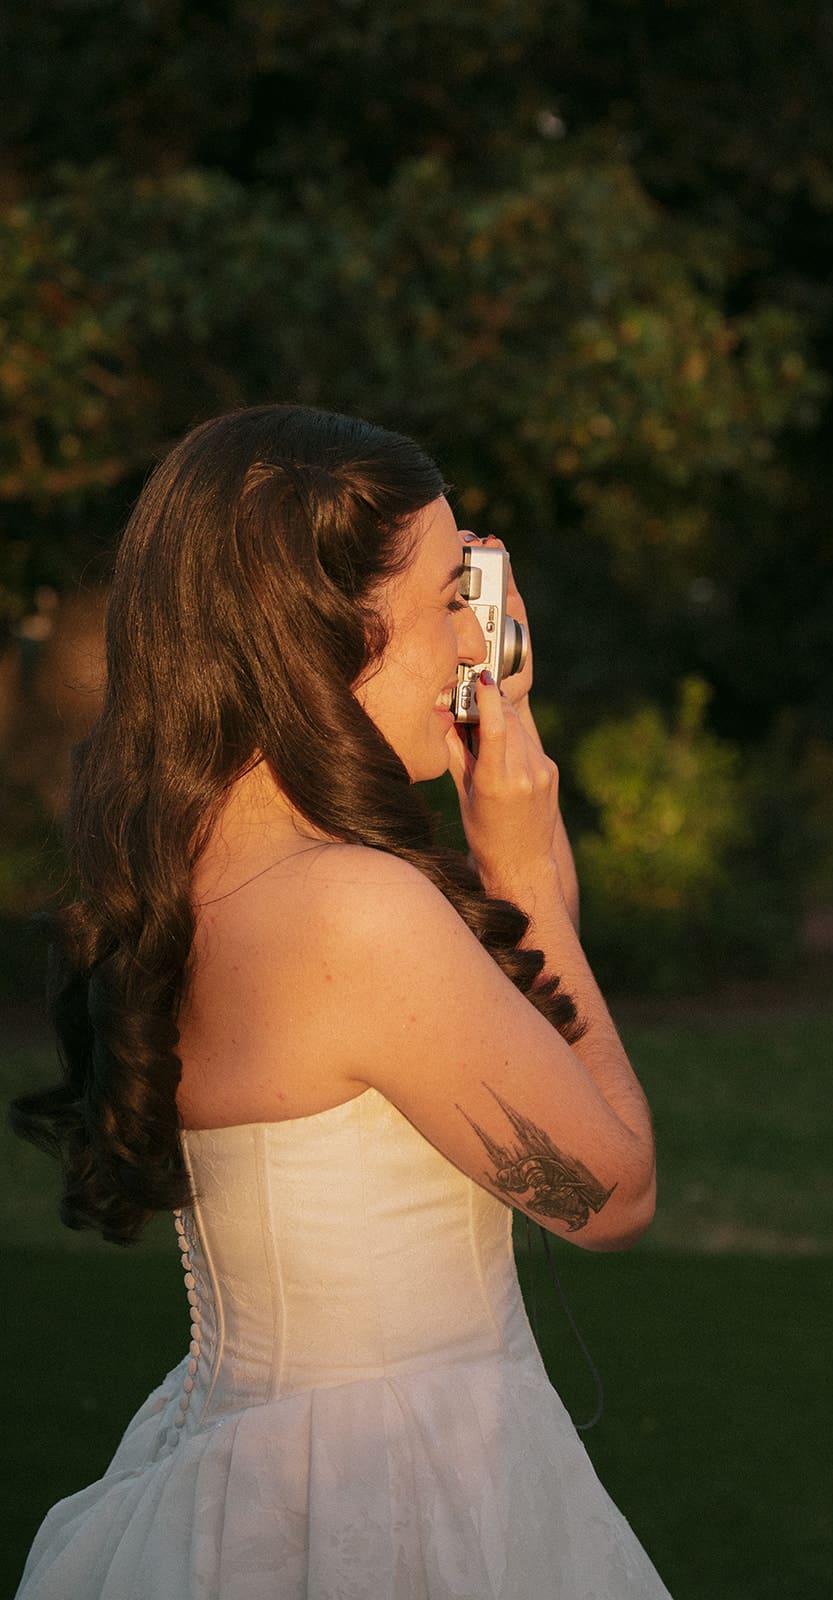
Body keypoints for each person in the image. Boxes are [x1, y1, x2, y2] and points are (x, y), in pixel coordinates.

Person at [12, 405, 671, 1600]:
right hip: (400, 1482)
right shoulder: (355, 909)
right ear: (326, 634)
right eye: (441, 598)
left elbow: (521, 1032)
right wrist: (526, 881)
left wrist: (515, 853)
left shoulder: (190, 872)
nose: (471, 634)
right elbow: (610, 1195)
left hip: (239, 1456)